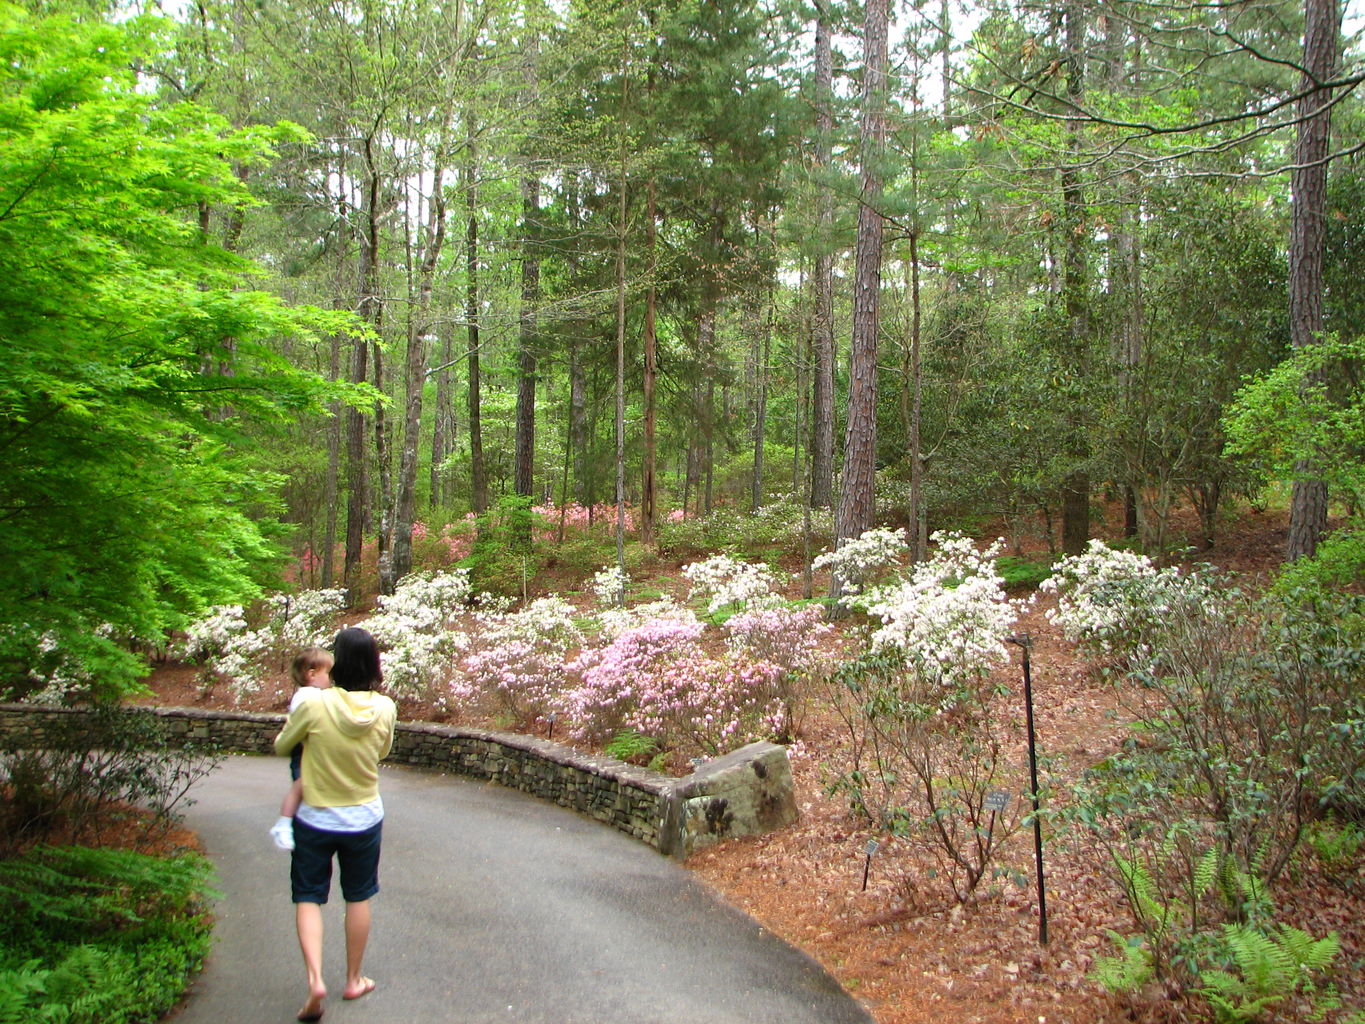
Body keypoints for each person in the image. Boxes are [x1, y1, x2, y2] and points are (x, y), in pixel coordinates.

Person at [274, 627, 396, 1023]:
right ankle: (353, 978)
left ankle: (315, 980)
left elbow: (282, 746)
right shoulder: (385, 708)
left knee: (308, 896)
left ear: (338, 661)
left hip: (315, 816)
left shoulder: (315, 705)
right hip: (362, 815)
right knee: (358, 895)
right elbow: (381, 751)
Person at [269, 646, 334, 852]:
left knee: (306, 784)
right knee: (301, 785)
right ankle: (284, 822)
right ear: (312, 674)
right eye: (328, 673)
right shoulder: (308, 696)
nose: (331, 679)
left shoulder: (311, 694)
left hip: (309, 746)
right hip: (302, 748)